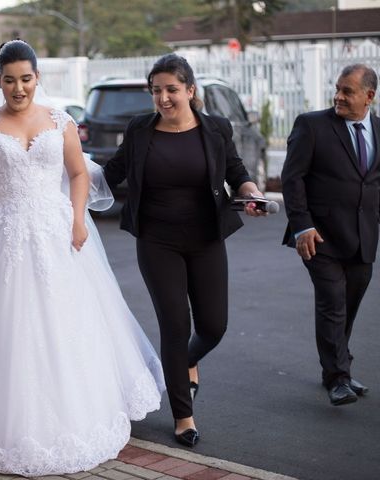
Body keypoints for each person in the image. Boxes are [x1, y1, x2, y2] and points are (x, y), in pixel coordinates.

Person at [0, 40, 165, 476]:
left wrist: (79, 217)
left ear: (37, 79)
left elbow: (77, 172)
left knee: (63, 323)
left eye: (25, 79)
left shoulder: (60, 121)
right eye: (9, 80)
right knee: (5, 328)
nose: (18, 88)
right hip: (2, 234)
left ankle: (75, 418)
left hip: (55, 232)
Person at [103, 54, 265, 447]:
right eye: (156, 90)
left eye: (171, 89)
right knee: (175, 325)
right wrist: (67, 185)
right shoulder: (141, 130)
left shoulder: (215, 130)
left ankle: (188, 362)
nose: (163, 98)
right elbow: (110, 172)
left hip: (206, 237)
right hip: (157, 241)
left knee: (213, 326)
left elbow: (237, 172)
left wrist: (251, 193)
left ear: (190, 91)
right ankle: (183, 415)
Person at [281, 64, 378, 406]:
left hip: (363, 238)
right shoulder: (312, 125)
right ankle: (337, 377)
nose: (338, 96)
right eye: (337, 88)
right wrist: (301, 225)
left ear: (370, 96)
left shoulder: (379, 130)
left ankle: (339, 371)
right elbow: (292, 178)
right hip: (318, 236)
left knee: (348, 307)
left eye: (347, 91)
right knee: (332, 303)